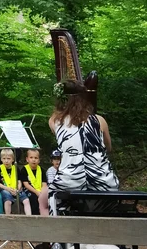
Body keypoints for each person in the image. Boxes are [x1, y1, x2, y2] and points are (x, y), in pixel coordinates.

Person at [49, 79, 119, 214]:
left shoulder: (55, 121)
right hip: (103, 182)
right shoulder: (99, 120)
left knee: (53, 193)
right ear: (84, 98)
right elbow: (108, 148)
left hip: (70, 181)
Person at [0, 148, 30, 215]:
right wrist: (8, 189)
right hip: (5, 189)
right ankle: (8, 216)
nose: (6, 161)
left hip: (16, 189)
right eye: (4, 158)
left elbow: (19, 181)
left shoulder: (15, 168)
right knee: (8, 200)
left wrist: (18, 189)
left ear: (12, 159)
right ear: (1, 159)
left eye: (8, 159)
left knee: (26, 200)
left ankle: (29, 216)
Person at [19, 149, 49, 216]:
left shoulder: (41, 170)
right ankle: (35, 216)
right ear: (27, 159)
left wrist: (42, 192)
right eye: (31, 157)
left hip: (40, 190)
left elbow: (44, 184)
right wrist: (36, 192)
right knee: (33, 198)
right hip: (29, 189)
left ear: (39, 160)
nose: (33, 160)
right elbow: (26, 184)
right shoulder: (24, 169)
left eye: (36, 158)